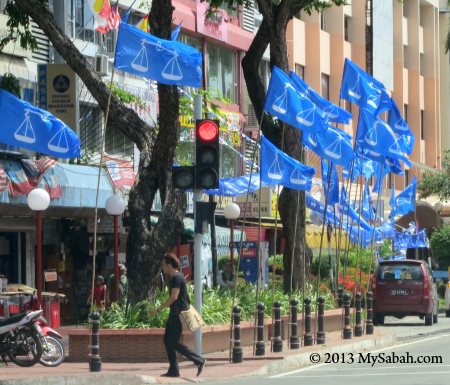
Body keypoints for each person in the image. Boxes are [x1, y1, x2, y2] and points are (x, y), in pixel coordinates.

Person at [150, 252, 206, 378]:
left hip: (178, 315)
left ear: (169, 265)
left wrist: (158, 310)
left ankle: (199, 360)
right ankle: (174, 370)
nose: (162, 268)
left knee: (172, 342)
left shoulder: (177, 278)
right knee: (167, 341)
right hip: (173, 314)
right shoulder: (175, 277)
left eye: (163, 265)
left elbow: (173, 297)